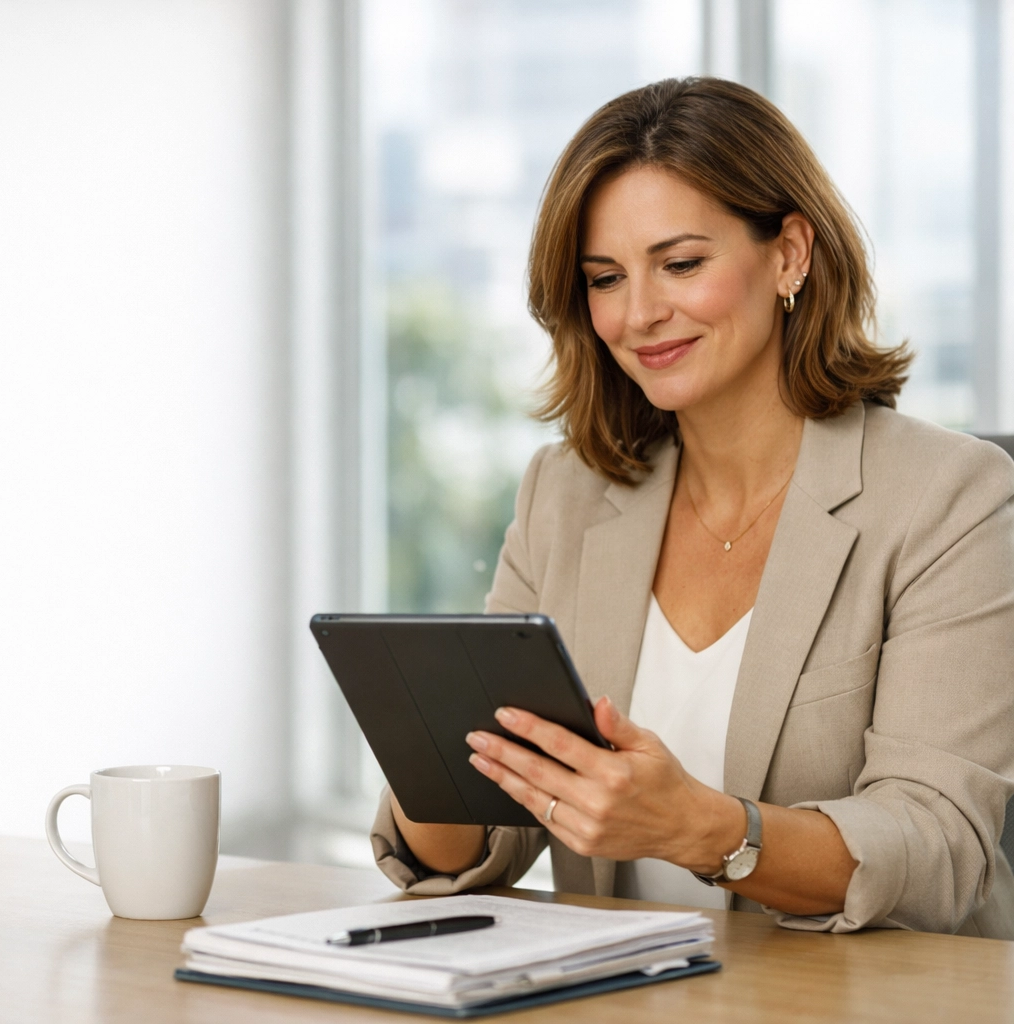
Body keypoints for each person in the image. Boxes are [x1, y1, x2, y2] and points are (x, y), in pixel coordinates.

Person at [369, 77, 1014, 938]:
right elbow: (490, 831)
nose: (639, 314)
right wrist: (430, 757)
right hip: (626, 990)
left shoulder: (948, 496)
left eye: (680, 265)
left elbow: (939, 846)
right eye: (606, 278)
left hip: (867, 994)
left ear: (789, 254)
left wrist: (702, 829)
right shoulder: (563, 494)